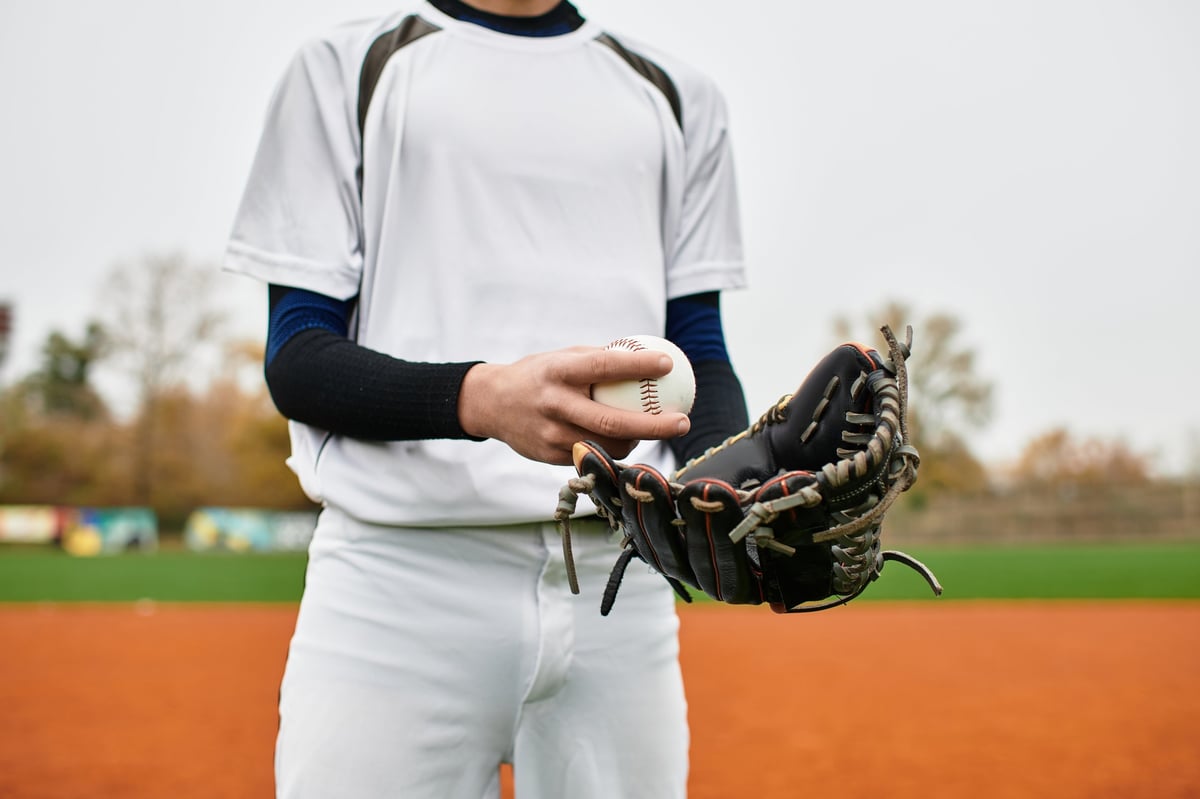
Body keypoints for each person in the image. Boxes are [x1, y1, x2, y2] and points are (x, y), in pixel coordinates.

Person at [225, 1, 750, 796]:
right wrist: (477, 397)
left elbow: (698, 349)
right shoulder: (348, 65)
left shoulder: (677, 92)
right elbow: (297, 355)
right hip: (399, 584)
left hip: (619, 583)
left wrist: (740, 479)